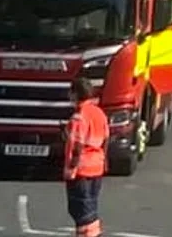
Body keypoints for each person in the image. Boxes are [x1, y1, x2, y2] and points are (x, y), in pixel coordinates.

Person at [63, 77, 109, 237]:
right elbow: (106, 139)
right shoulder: (99, 113)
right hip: (97, 167)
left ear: (75, 94)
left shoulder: (79, 116)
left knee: (80, 210)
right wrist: (105, 161)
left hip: (82, 170)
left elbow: (77, 145)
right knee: (90, 208)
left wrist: (71, 169)